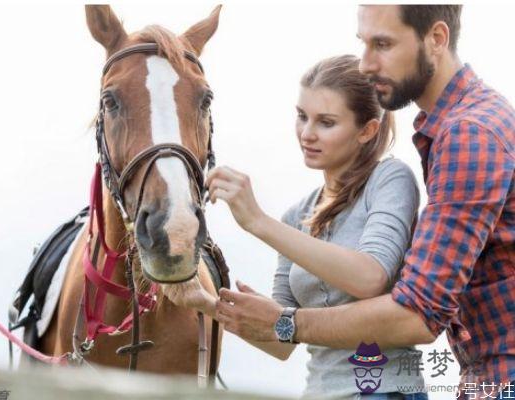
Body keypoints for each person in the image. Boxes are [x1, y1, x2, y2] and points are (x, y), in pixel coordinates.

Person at [208, 5, 514, 398]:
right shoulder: (455, 129)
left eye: (383, 44)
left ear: (436, 39)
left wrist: (286, 319)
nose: (367, 65)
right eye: (363, 43)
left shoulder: (467, 134)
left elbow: (418, 313)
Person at [165, 54, 427, 399]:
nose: (307, 133)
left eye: (326, 122)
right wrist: (203, 301)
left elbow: (370, 277)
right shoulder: (297, 215)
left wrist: (257, 221)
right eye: (302, 117)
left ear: (367, 130)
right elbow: (281, 338)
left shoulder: (389, 179)